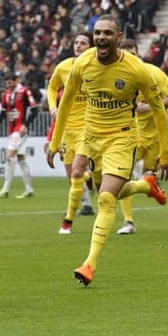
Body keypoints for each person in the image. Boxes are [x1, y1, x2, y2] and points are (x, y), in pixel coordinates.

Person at [47, 15, 168, 287]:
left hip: (122, 139)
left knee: (105, 198)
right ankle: (145, 186)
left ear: (118, 38)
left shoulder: (136, 69)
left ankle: (89, 264)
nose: (101, 37)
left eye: (107, 33)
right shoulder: (83, 63)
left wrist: (166, 152)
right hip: (92, 139)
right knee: (109, 190)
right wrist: (55, 141)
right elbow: (65, 101)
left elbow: (159, 108)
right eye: (97, 33)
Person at [116, 39, 168, 235]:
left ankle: (151, 185)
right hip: (130, 136)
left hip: (153, 138)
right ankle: (128, 221)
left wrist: (152, 105)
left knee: (147, 177)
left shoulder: (152, 73)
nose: (131, 59)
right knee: (121, 177)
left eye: (133, 55)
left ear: (139, 55)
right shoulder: (117, 78)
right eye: (126, 56)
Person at [47, 32, 96, 235]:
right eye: (76, 42)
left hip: (87, 127)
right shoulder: (64, 66)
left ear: (90, 47)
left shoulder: (96, 66)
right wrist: (52, 108)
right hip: (67, 129)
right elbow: (52, 87)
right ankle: (88, 176)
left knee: (75, 173)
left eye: (83, 43)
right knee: (72, 179)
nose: (78, 45)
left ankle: (67, 221)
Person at [0, 72, 38, 199]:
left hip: (20, 129)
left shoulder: (25, 91)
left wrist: (25, 124)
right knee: (21, 159)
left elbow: (35, 110)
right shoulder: (6, 94)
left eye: (11, 83)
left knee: (9, 156)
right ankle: (29, 189)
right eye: (7, 83)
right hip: (12, 130)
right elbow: (2, 113)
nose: (9, 86)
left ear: (16, 80)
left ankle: (5, 189)